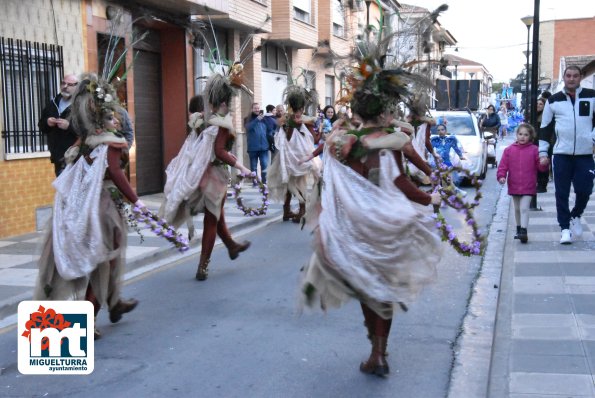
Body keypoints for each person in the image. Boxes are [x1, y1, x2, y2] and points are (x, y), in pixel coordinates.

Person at [34, 74, 139, 339]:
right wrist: (137, 201)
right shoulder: (106, 141)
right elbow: (115, 173)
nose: (118, 119)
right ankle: (88, 316)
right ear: (104, 114)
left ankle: (114, 303)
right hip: (103, 206)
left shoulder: (83, 140)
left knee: (105, 258)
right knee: (105, 259)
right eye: (114, 115)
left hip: (83, 204)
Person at [161, 73, 252, 281]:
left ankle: (231, 246)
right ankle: (203, 265)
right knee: (212, 219)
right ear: (223, 102)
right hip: (215, 176)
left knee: (216, 215)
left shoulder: (203, 120)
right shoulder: (220, 122)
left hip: (201, 173)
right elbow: (219, 151)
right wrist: (241, 167)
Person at [539, 65, 595, 244]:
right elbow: (545, 128)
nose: (572, 79)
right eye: (568, 76)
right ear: (564, 77)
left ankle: (576, 214)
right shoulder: (553, 100)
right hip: (561, 154)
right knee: (561, 192)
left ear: (580, 77)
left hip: (585, 154)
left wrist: (592, 139)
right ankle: (564, 228)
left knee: (585, 189)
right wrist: (543, 152)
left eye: (575, 76)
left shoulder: (592, 96)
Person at [267, 85, 322, 223]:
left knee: (294, 184)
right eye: (299, 109)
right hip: (292, 158)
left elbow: (311, 139)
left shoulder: (302, 121)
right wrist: (318, 130)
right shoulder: (289, 121)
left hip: (295, 158)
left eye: (300, 109)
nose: (299, 112)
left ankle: (292, 210)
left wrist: (316, 128)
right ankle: (295, 211)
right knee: (294, 184)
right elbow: (292, 138)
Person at [498, 123, 547, 243]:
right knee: (517, 209)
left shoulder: (535, 150)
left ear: (530, 136)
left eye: (526, 134)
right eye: (520, 134)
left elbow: (540, 168)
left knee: (524, 208)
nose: (522, 137)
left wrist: (544, 163)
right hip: (514, 183)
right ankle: (519, 228)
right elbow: (503, 166)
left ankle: (524, 231)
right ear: (516, 135)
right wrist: (501, 176)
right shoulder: (509, 150)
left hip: (529, 184)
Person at [38, 74, 79, 176]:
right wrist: (47, 122)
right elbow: (41, 125)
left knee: (75, 190)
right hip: (58, 156)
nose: (65, 86)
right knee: (62, 190)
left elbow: (89, 130)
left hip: (76, 156)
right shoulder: (53, 103)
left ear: (77, 87)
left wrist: (69, 126)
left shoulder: (81, 105)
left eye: (69, 84)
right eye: (63, 83)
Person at [244, 102, 270, 185]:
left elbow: (269, 129)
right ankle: (255, 182)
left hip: (264, 147)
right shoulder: (247, 119)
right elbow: (248, 128)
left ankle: (264, 182)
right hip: (253, 148)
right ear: (252, 109)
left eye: (258, 108)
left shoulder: (264, 119)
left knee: (264, 166)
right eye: (255, 108)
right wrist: (257, 119)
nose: (257, 110)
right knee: (254, 167)